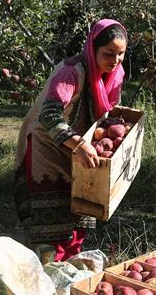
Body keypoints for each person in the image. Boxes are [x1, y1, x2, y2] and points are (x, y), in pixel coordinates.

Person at [14, 19, 128, 261]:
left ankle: (70, 273)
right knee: (51, 221)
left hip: (81, 148)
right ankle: (47, 271)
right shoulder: (71, 71)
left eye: (121, 54)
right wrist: (78, 143)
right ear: (92, 48)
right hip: (48, 147)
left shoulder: (115, 74)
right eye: (108, 53)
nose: (115, 60)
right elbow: (49, 114)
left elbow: (107, 112)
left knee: (80, 212)